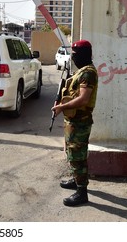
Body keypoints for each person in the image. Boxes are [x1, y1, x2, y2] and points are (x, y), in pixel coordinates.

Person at [51, 39, 98, 207]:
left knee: (78, 157)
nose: (73, 57)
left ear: (84, 55)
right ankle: (76, 180)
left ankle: (81, 193)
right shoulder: (82, 71)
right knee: (72, 153)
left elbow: (83, 98)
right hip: (73, 121)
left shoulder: (88, 73)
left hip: (80, 122)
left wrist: (62, 106)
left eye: (76, 54)